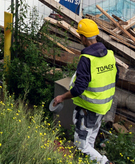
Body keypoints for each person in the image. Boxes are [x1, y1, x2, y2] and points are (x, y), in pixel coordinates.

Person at [51, 17, 116, 164]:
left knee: (81, 144)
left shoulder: (87, 58)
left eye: (80, 36)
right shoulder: (110, 55)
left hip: (89, 108)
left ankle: (105, 163)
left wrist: (61, 97)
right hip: (103, 106)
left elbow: (79, 88)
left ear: (84, 38)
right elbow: (114, 78)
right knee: (90, 140)